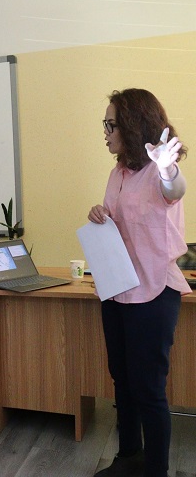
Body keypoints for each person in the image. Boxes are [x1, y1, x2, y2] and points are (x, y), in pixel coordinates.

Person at [88, 89, 189, 477]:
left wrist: (166, 168)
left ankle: (156, 471)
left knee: (148, 389)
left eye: (110, 124)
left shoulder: (158, 171)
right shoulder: (117, 172)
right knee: (123, 381)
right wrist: (100, 214)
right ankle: (128, 456)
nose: (105, 132)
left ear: (131, 124)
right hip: (117, 289)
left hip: (154, 291)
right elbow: (121, 223)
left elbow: (174, 189)